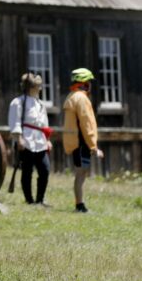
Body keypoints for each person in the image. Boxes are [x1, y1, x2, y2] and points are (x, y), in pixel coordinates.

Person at [62, 68, 104, 213]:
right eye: (89, 82)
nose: (91, 85)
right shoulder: (82, 99)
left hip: (75, 142)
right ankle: (80, 206)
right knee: (81, 173)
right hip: (81, 143)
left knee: (81, 172)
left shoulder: (71, 96)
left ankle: (80, 204)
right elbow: (86, 124)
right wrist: (93, 146)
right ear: (85, 83)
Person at [8, 72, 52, 207]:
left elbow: (44, 124)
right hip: (26, 140)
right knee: (27, 172)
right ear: (32, 87)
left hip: (40, 141)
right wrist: (18, 138)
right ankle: (29, 200)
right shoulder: (18, 102)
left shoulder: (41, 104)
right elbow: (14, 121)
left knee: (45, 169)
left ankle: (40, 199)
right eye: (38, 86)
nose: (40, 88)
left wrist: (47, 140)